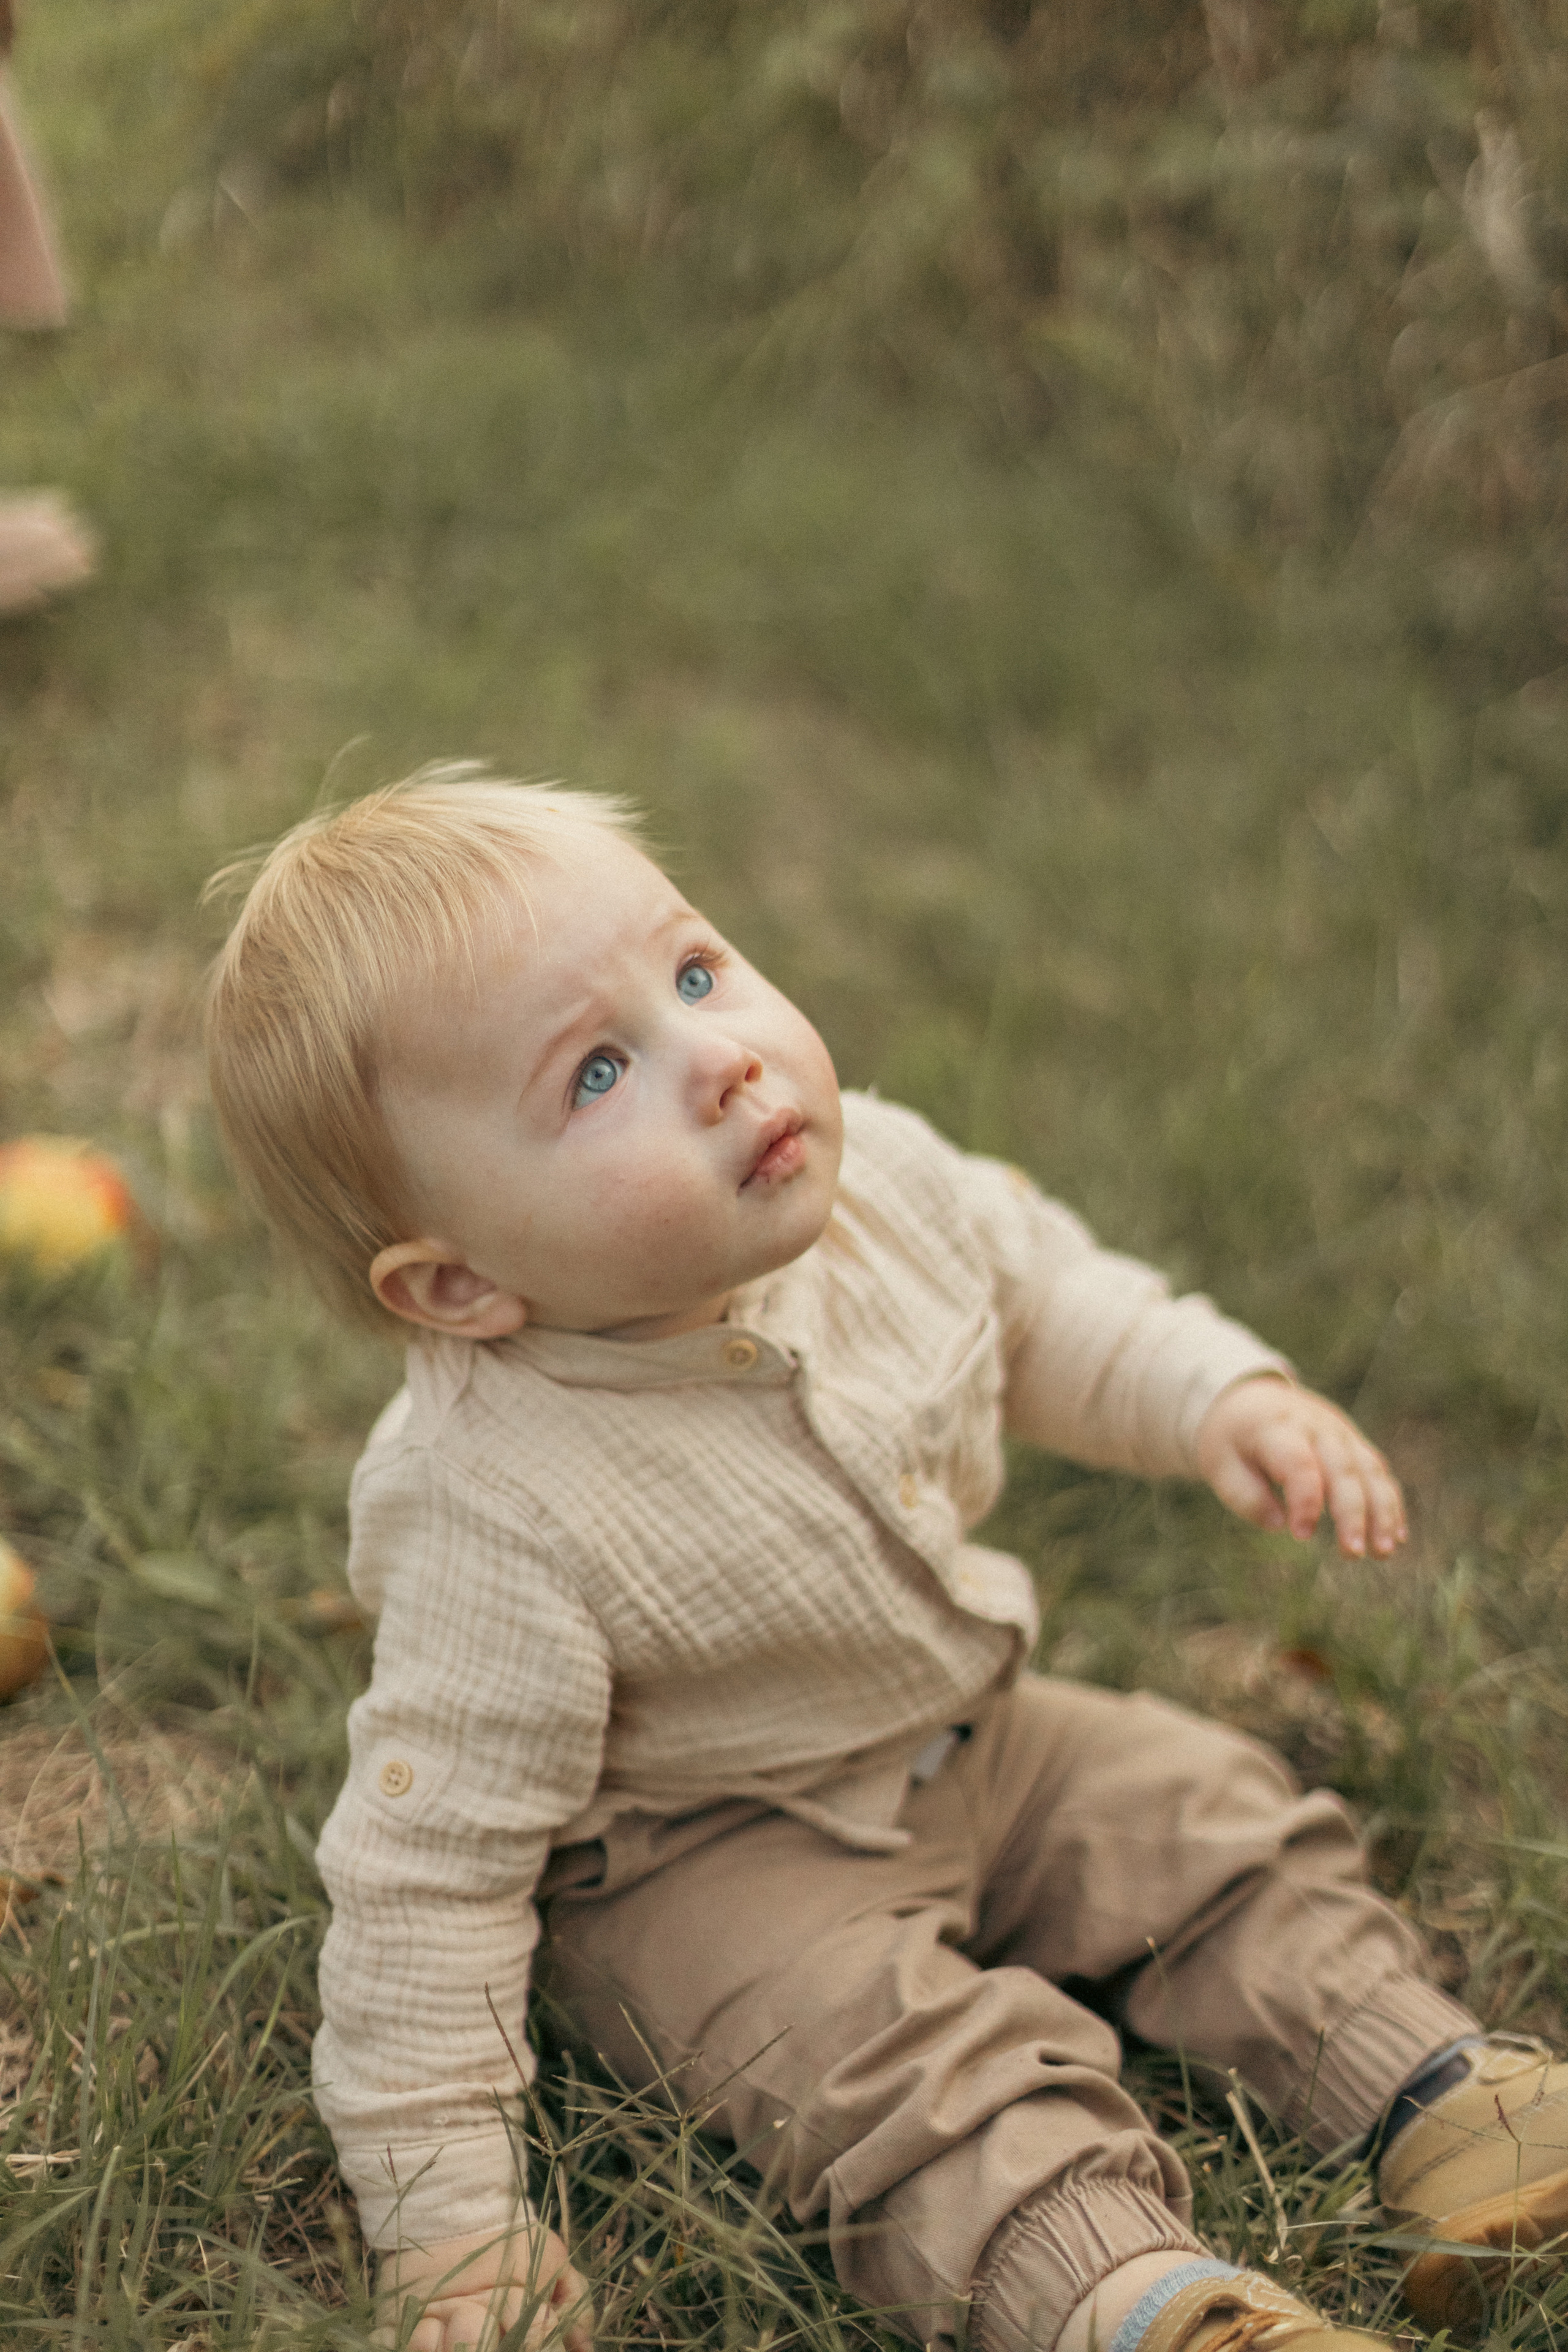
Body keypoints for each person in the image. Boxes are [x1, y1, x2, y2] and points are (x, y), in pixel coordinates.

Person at [205, 771, 1568, 2352]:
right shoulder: (492, 1505)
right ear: (456, 1287)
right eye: (594, 1072)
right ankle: (1146, 2306)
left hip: (963, 1732)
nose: (718, 1061)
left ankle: (1431, 2084)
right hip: (704, 1865)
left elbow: (1045, 1305)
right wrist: (450, 2226)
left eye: (696, 973)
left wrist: (1218, 1397)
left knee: (1208, 1819)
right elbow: (424, 1887)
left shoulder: (881, 1191)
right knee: (903, 2068)